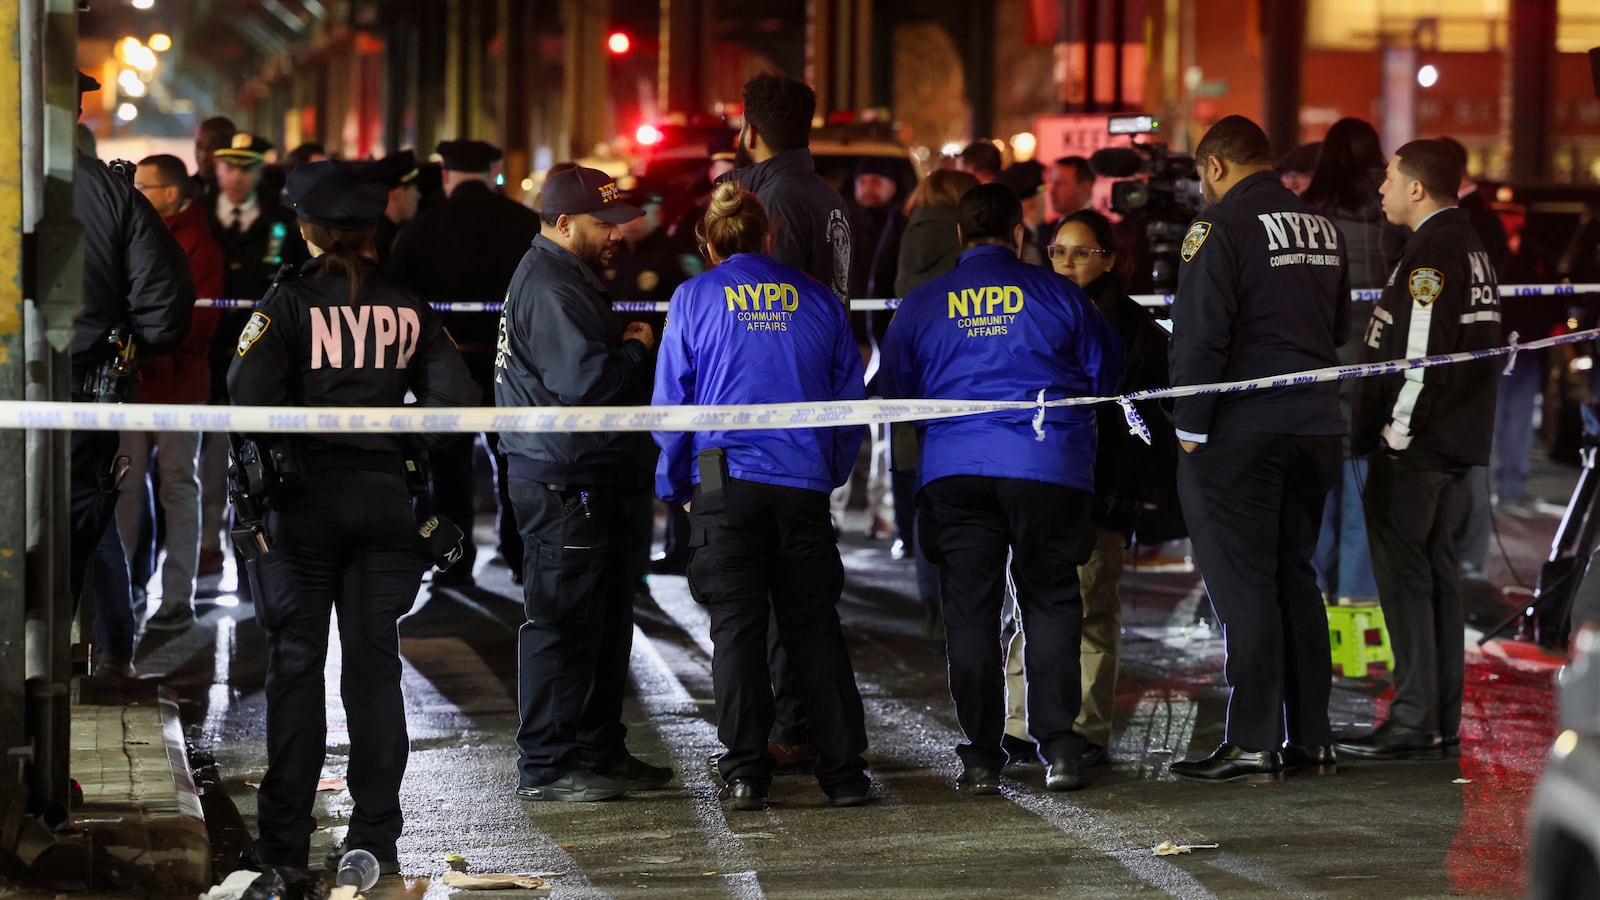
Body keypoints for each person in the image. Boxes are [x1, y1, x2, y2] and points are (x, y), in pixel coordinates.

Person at [231, 159, 477, 877]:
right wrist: (394, 432)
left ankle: (283, 846)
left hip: (300, 510)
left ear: (306, 226)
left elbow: (245, 397)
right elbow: (453, 407)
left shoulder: (287, 303)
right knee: (373, 673)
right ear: (372, 229)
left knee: (297, 672)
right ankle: (374, 840)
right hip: (385, 506)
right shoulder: (409, 306)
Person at [881, 183, 1121, 794]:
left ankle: (984, 752)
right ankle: (1061, 748)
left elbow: (894, 388)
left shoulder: (922, 302)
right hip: (1048, 469)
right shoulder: (1060, 293)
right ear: (1021, 234)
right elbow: (1108, 372)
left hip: (956, 472)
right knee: (1051, 604)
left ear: (959, 236)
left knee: (970, 612)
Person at [652, 182, 872, 811]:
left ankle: (746, 772)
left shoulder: (693, 298)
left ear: (710, 242)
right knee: (813, 628)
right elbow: (847, 405)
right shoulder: (818, 299)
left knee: (738, 632)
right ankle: (845, 774)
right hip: (800, 484)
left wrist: (676, 487)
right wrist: (824, 471)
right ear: (767, 234)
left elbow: (673, 405)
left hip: (725, 483)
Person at [1166, 115, 1349, 783]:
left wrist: (1190, 424)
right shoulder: (1321, 227)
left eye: (1199, 174)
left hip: (1244, 431)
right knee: (1296, 579)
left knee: (1244, 587)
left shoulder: (1219, 228)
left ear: (1214, 166)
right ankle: (1313, 738)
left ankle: (1251, 741)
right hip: (1317, 426)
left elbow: (1200, 333)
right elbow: (1338, 326)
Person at [494, 166, 672, 802]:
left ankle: (598, 747)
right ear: (564, 223)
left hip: (588, 472)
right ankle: (546, 763)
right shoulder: (550, 284)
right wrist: (635, 347)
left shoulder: (566, 276)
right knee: (561, 621)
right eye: (605, 223)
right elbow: (588, 386)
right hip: (564, 479)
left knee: (600, 619)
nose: (618, 233)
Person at [1338, 140, 1502, 761]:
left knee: (1407, 581)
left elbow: (1421, 358)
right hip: (1449, 439)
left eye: (1389, 178)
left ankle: (1413, 718)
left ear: (1417, 189)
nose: (1380, 190)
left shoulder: (1434, 250)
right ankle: (1436, 719)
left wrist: (1394, 436)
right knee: (1435, 578)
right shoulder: (1467, 242)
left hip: (1418, 445)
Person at [1000, 210, 1175, 768]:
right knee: (1028, 606)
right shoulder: (1031, 313)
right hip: (1037, 485)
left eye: (1082, 252)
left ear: (1112, 258)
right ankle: (1021, 724)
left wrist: (1122, 499)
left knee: (1091, 612)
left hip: (1099, 494)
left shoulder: (1137, 331)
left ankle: (1086, 730)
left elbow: (1142, 429)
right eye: (1058, 251)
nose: (1068, 263)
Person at [722, 72, 851, 769]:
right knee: (805, 593)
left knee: (770, 597)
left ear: (751, 127)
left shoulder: (767, 200)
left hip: (766, 426)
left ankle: (790, 729)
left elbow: (754, 307)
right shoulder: (825, 196)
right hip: (814, 421)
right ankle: (809, 727)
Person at [72, 71, 196, 677]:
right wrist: (132, 342)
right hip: (85, 388)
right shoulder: (113, 192)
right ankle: (110, 654)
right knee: (90, 519)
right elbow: (165, 302)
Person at [390, 139, 541, 586]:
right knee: (515, 462)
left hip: (444, 367)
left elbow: (401, 300)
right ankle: (519, 555)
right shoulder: (523, 223)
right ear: (492, 171)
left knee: (448, 469)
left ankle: (453, 563)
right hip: (511, 366)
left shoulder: (423, 228)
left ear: (445, 174)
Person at [1301, 118, 1405, 607]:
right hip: (1376, 366)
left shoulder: (1310, 215)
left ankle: (1313, 599)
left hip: (1319, 365)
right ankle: (1360, 603)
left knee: (1315, 493)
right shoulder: (1392, 214)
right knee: (1364, 490)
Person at [119, 153, 224, 632]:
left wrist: (145, 342)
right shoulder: (133, 229)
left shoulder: (198, 243)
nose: (135, 191)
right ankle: (123, 592)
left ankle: (177, 598)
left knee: (179, 487)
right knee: (124, 488)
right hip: (138, 384)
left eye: (144, 185)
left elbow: (200, 321)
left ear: (171, 192)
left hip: (179, 386)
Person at [200, 131, 309, 586]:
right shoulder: (201, 219)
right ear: (216, 169)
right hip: (208, 362)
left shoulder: (282, 223)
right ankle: (208, 550)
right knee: (205, 468)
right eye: (229, 166)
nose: (237, 177)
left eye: (246, 168)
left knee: (259, 469)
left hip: (265, 365)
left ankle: (256, 567)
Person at [723, 73, 852, 302]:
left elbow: (772, 301)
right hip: (823, 334)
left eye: (741, 127)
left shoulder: (775, 200)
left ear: (751, 134)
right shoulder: (826, 193)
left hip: (791, 337)